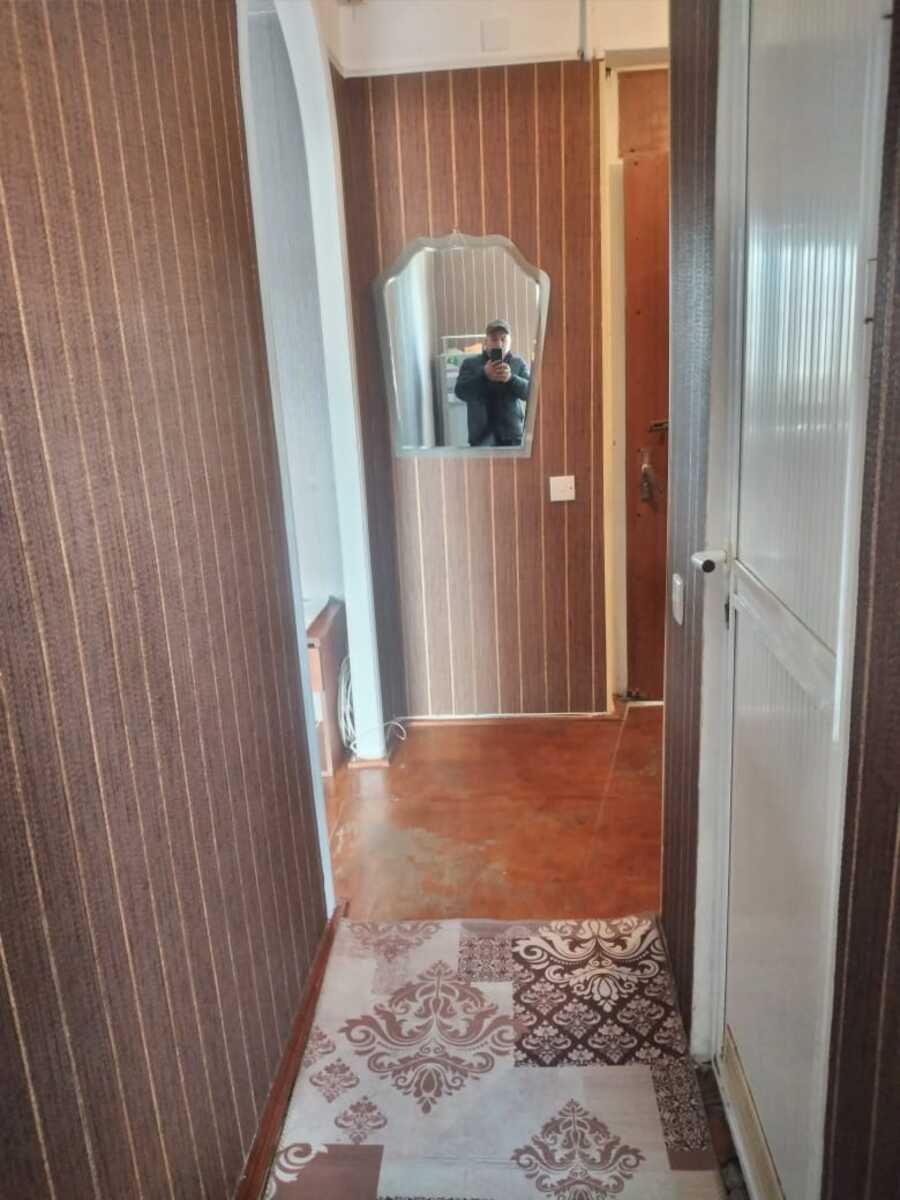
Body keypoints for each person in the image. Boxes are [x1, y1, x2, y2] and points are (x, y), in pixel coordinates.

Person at [454, 318, 530, 447]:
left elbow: (531, 393)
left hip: (512, 436)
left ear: (510, 341)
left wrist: (511, 379)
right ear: (486, 342)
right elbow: (460, 392)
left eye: (503, 339)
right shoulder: (470, 364)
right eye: (494, 339)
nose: (499, 344)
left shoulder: (518, 363)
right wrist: (484, 375)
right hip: (481, 437)